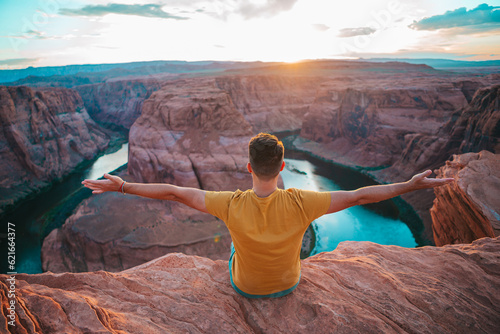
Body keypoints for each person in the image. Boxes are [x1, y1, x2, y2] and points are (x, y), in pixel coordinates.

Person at [82, 133, 454, 299]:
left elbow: (174, 192)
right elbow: (360, 195)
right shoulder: (302, 202)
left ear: (248, 167)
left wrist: (122, 187)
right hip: (289, 284)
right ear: (281, 168)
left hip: (244, 288)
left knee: (230, 251)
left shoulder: (229, 203)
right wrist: (409, 185)